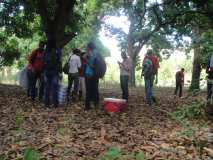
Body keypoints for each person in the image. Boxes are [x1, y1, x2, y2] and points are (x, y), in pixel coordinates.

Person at [84, 42, 104, 110]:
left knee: (89, 90)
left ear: (89, 47)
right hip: (96, 74)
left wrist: (86, 60)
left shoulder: (92, 53)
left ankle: (87, 106)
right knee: (95, 89)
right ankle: (96, 104)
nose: (86, 48)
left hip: (90, 74)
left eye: (87, 46)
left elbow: (92, 66)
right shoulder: (98, 53)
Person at [43, 38, 62, 107]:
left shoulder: (46, 50)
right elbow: (59, 60)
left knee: (47, 88)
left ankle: (46, 103)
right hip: (55, 71)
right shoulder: (57, 50)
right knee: (55, 88)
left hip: (47, 71)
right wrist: (60, 71)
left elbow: (43, 60)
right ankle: (55, 103)